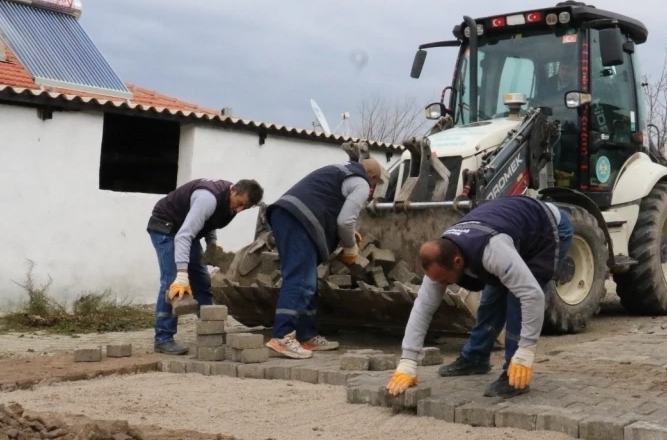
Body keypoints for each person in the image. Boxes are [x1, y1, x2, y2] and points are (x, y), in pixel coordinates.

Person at [386, 195, 574, 398]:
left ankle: (515, 371)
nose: (441, 285)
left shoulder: (491, 251)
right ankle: (475, 358)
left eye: (443, 280)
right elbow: (423, 307)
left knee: (517, 299)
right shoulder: (442, 255)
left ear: (458, 262)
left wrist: (526, 351)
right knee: (492, 297)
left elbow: (532, 295)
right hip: (512, 232)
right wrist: (407, 362)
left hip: (547, 230)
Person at [265, 158, 384, 359]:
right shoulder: (361, 183)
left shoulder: (338, 170)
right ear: (372, 178)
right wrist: (350, 248)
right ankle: (282, 336)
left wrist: (347, 231)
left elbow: (326, 202)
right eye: (374, 185)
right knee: (300, 279)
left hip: (287, 215)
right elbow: (345, 221)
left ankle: (307, 335)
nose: (371, 189)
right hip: (298, 220)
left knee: (308, 281)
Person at [148, 178, 264, 355]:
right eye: (239, 203)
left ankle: (212, 332)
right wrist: (181, 273)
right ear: (233, 191)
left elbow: (210, 220)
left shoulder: (230, 203)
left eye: (245, 208)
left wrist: (211, 244)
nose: (239, 210)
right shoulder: (207, 198)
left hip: (186, 232)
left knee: (202, 281)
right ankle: (163, 339)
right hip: (166, 227)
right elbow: (183, 236)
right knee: (172, 282)